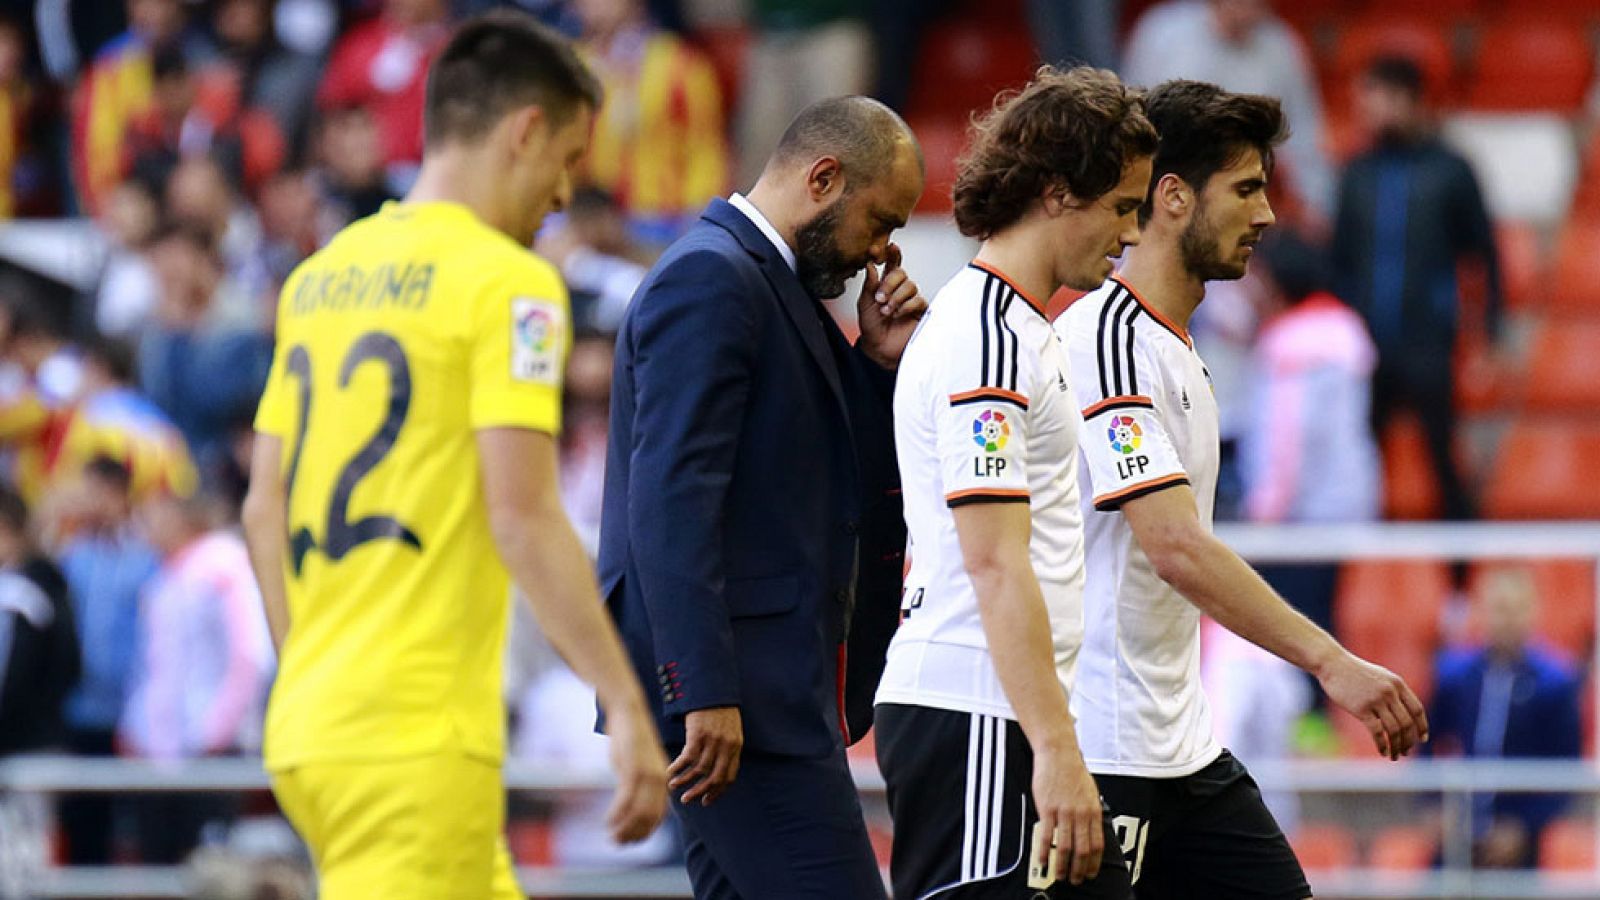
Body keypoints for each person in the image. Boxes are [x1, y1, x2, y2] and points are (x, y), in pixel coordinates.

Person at [241, 12, 667, 900]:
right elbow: (522, 514)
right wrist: (625, 704)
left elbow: (261, 506)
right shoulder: (510, 285)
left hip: (320, 720)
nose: (562, 195)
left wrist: (312, 680)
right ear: (524, 133)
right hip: (415, 735)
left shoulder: (321, 274)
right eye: (568, 158)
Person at [1056, 80, 1428, 899]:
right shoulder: (1106, 341)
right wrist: (1332, 662)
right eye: (1249, 189)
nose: (1266, 216)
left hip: (1178, 743)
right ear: (1175, 197)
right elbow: (1174, 544)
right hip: (1101, 743)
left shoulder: (1181, 351)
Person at [600, 95, 925, 899]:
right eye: (880, 221)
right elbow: (673, 501)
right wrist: (701, 690)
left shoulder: (764, 283)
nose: (881, 251)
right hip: (737, 706)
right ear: (824, 178)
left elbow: (813, 467)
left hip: (765, 698)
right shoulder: (713, 278)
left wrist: (876, 368)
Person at [873, 66, 1154, 898]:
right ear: (1060, 192)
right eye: (1122, 205)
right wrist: (1058, 747)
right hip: (978, 706)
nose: (1133, 232)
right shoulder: (989, 338)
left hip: (1006, 706)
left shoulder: (1018, 330)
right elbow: (994, 561)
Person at [1331, 55, 1502, 522]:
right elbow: (1339, 260)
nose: (1366, 109)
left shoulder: (1450, 170)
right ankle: (1348, 587)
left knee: (1444, 466)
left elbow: (1485, 255)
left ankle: (1460, 593)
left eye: (1377, 97)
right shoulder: (1356, 173)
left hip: (1428, 345)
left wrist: (1488, 333)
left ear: (1409, 99)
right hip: (1364, 349)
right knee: (1357, 472)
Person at [120, 490, 272, 864]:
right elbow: (154, 663)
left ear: (183, 519)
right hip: (160, 752)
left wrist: (214, 732)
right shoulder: (167, 573)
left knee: (207, 871)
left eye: (155, 515)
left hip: (208, 751)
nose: (146, 526)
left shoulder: (225, 567)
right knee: (161, 867)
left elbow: (251, 656)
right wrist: (136, 726)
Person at [1122, 0, 1331, 224]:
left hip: (1255, 199)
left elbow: (1304, 137)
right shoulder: (1163, 33)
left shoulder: (1281, 47)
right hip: (1167, 185)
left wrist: (1316, 204)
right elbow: (1133, 119)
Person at [1430, 568, 1582, 869]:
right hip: (1458, 836)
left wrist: (1524, 826)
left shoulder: (1555, 683)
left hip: (1523, 844)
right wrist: (1435, 806)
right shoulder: (1456, 676)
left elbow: (1566, 768)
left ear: (1532, 612)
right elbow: (1424, 741)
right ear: (1482, 612)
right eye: (1499, 609)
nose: (1507, 619)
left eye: (1516, 609)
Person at [52, 455, 161, 865]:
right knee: (82, 827)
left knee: (137, 830)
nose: (89, 501)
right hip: (78, 710)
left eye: (97, 491)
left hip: (131, 712)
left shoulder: (147, 554)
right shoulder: (72, 553)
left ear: (118, 494)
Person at [571, 0, 728, 242]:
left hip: (664, 224)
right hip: (591, 225)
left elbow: (706, 152)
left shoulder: (681, 64)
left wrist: (699, 225)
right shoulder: (572, 66)